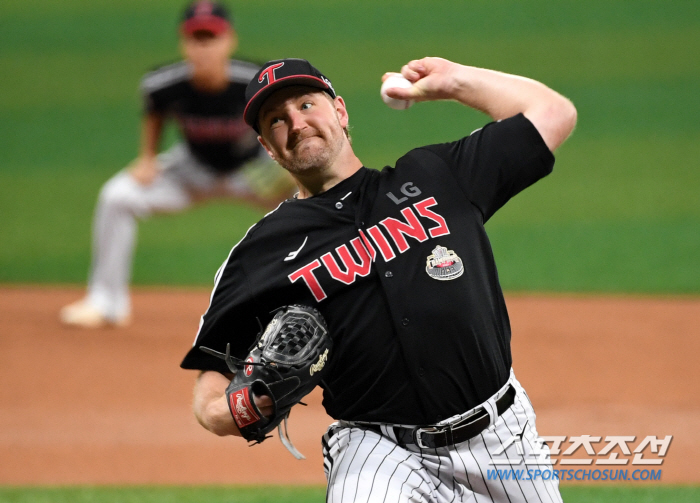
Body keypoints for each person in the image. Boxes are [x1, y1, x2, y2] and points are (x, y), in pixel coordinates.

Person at [181, 56, 577, 502]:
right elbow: (211, 382)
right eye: (277, 119)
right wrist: (235, 409)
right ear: (267, 147)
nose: (296, 122)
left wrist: (455, 82)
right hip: (378, 448)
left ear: (341, 112)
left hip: (502, 441)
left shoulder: (437, 177)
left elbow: (554, 114)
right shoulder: (260, 254)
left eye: (307, 105)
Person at [60, 1, 294, 328]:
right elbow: (154, 113)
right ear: (183, 43)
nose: (203, 47)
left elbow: (286, 117)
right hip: (192, 171)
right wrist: (147, 157)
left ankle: (311, 306)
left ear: (229, 40)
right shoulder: (163, 83)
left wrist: (288, 162)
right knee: (117, 196)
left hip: (253, 172)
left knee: (314, 205)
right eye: (195, 38)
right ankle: (105, 302)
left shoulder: (255, 81)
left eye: (211, 37)